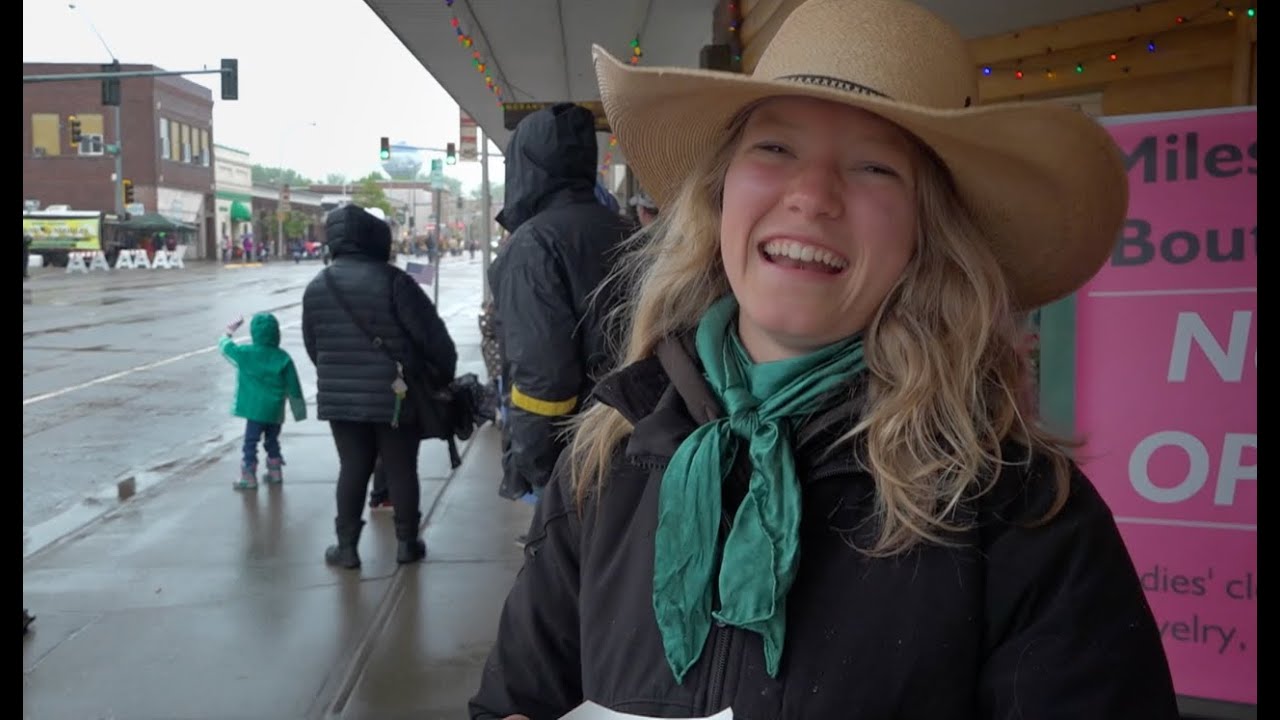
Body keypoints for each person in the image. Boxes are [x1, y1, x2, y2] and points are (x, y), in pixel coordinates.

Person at [468, 1, 1180, 718]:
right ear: (719, 196)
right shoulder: (609, 451)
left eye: (875, 167)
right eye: (774, 149)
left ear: (927, 235)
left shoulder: (1023, 515)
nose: (810, 197)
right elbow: (512, 700)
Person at [487, 102, 635, 513]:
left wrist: (533, 464)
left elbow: (543, 377)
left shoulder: (534, 243)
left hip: (575, 456)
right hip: (637, 435)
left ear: (525, 166)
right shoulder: (627, 230)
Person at [302, 204, 457, 569]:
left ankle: (346, 547)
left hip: (340, 397)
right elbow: (432, 337)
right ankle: (406, 543)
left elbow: (315, 346)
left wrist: (340, 375)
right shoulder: (394, 281)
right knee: (401, 466)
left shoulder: (318, 285)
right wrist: (442, 377)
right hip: (396, 395)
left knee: (353, 466)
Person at [219, 312, 307, 489]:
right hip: (275, 410)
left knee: (250, 442)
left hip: (254, 410)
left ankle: (249, 476)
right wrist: (299, 411)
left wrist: (229, 331)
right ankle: (275, 472)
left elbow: (225, 348)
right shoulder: (283, 357)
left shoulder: (246, 354)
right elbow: (294, 386)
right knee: (272, 440)